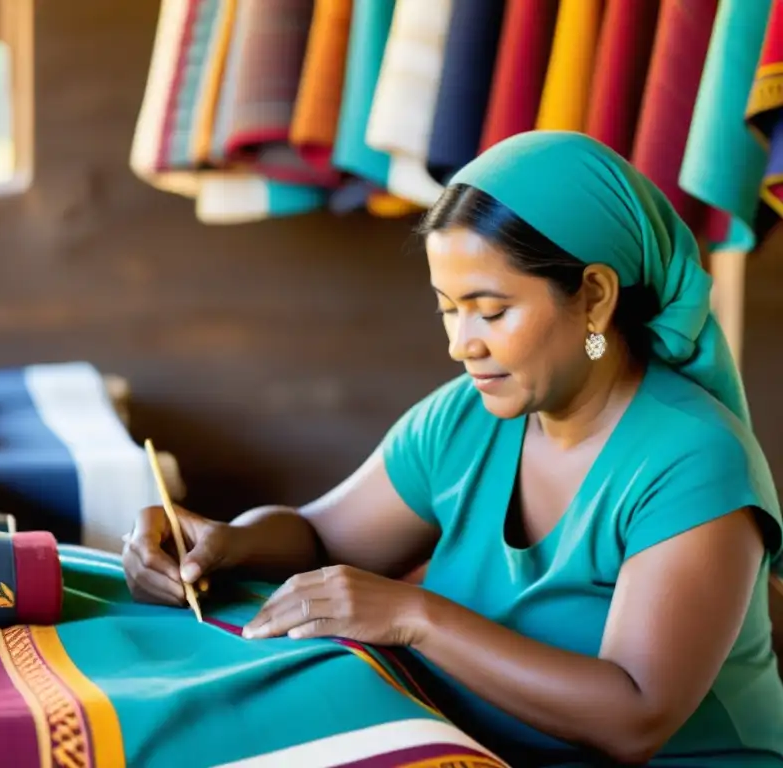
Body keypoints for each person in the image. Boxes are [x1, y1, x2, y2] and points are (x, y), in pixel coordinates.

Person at [122, 131, 783, 767]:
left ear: (595, 298)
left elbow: (635, 718)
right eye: (448, 308)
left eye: (490, 311)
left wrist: (414, 616)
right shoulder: (466, 421)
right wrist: (222, 543)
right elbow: (323, 538)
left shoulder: (693, 461)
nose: (462, 343)